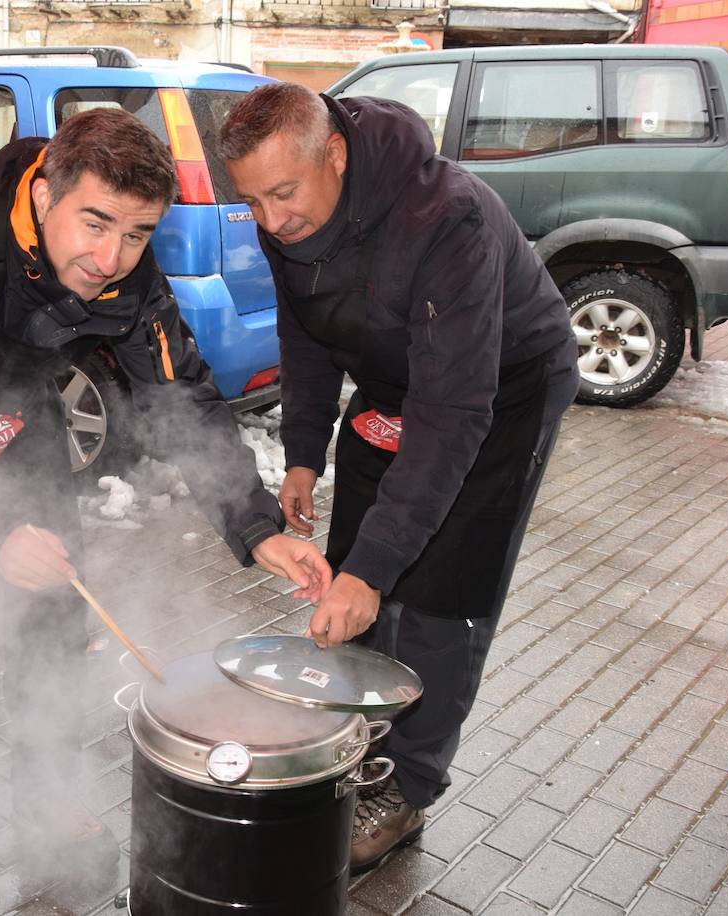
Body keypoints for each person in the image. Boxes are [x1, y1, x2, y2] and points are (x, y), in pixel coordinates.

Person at [0, 107, 332, 882]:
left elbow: (180, 395)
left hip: (17, 416)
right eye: (95, 223)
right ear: (48, 191)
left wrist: (255, 528)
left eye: (137, 233)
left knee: (57, 594)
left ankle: (48, 802)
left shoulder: (128, 271)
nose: (111, 256)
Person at [220, 83, 578, 872]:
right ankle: (362, 734)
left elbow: (454, 412)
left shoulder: (446, 218)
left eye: (284, 194)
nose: (272, 221)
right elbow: (306, 334)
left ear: (335, 155)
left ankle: (407, 786)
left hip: (499, 390)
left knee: (443, 590)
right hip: (395, 384)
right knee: (351, 575)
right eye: (253, 203)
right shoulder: (288, 220)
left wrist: (377, 570)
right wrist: (306, 452)